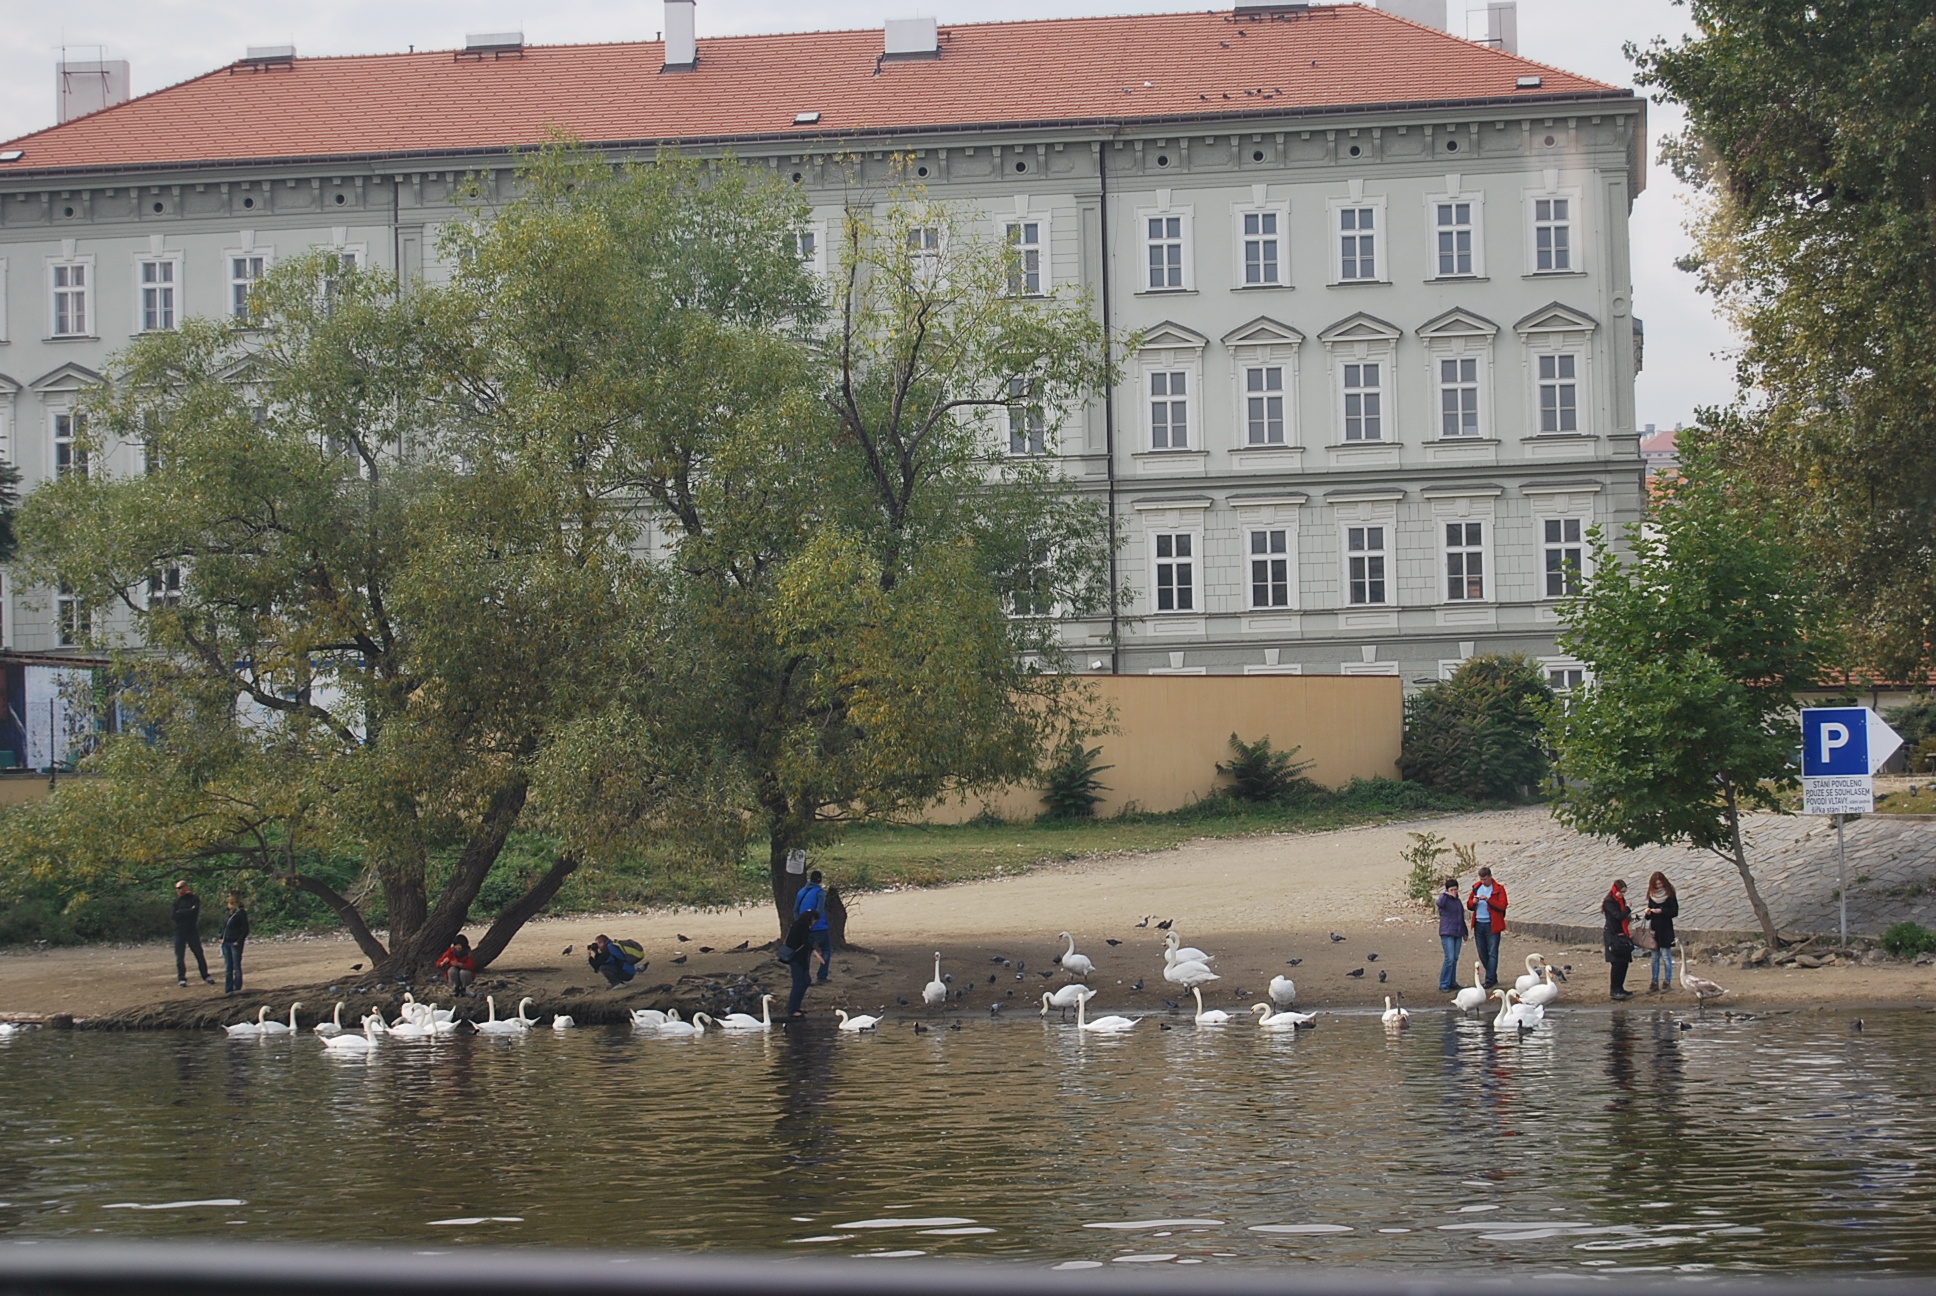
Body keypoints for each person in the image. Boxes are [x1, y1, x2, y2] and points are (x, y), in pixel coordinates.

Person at [1465, 866, 1509, 988]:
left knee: (1492, 952)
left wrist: (1488, 900)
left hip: (1492, 924)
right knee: (1482, 952)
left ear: (1490, 877)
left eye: (1485, 879)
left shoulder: (1499, 889)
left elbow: (1502, 905)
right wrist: (1473, 902)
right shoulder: (1476, 887)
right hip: (1479, 923)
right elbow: (1469, 905)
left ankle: (1489, 979)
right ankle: (1492, 975)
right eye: (1481, 879)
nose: (1483, 881)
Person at [778, 906, 819, 1018]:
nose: (814, 923)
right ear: (812, 919)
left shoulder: (798, 924)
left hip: (802, 959)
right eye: (815, 921)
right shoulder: (802, 926)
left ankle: (796, 1006)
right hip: (796, 959)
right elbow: (805, 942)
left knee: (806, 980)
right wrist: (816, 953)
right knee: (798, 983)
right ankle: (792, 1009)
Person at [1642, 871, 1679, 993]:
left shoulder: (1670, 894)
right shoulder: (1651, 895)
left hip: (1666, 929)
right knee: (1654, 957)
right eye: (1656, 884)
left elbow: (1674, 911)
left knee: (1666, 957)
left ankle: (1667, 981)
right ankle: (1654, 982)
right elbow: (1648, 916)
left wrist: (1662, 911)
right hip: (1655, 930)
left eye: (1660, 883)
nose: (1659, 886)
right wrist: (1648, 913)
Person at [171, 880, 213, 988]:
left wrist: (182, 912)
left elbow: (194, 912)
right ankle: (182, 978)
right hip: (179, 932)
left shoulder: (194, 899)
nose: (178, 890)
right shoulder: (176, 902)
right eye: (177, 888)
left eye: (180, 888)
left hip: (192, 931)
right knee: (180, 956)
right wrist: (187, 911)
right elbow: (174, 916)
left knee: (199, 953)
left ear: (185, 887)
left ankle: (205, 975)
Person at [794, 870, 832, 983]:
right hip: (820, 927)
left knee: (806, 952)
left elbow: (795, 910)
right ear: (820, 880)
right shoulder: (820, 892)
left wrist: (801, 925)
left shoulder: (801, 892)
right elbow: (819, 910)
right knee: (826, 949)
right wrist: (813, 923)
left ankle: (805, 977)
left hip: (805, 928)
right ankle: (822, 976)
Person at [1603, 878, 1635, 1001]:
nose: (1622, 894)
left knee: (1624, 962)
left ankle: (1620, 987)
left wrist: (1630, 917)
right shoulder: (1609, 902)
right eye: (1621, 892)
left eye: (1624, 892)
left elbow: (1623, 917)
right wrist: (1628, 909)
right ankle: (1614, 990)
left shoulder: (1621, 900)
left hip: (1622, 934)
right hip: (1613, 935)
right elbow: (1618, 916)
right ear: (1615, 890)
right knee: (1616, 963)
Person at [1436, 876, 1468, 993]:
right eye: (1451, 890)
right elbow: (1439, 904)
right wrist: (1446, 895)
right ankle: (1443, 983)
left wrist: (1465, 932)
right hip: (1447, 932)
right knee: (1449, 958)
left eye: (1455, 889)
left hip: (1457, 932)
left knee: (1454, 958)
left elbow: (1461, 918)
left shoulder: (1458, 902)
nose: (1454, 892)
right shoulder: (1444, 900)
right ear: (1447, 890)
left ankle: (1452, 982)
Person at [219, 892, 250, 995]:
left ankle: (237, 988)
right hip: (226, 941)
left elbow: (245, 929)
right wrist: (221, 937)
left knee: (236, 966)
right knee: (228, 967)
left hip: (235, 942)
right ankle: (228, 989)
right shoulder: (227, 912)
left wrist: (238, 941)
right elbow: (225, 926)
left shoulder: (241, 913)